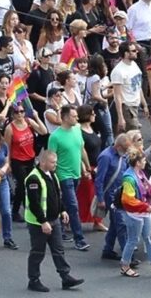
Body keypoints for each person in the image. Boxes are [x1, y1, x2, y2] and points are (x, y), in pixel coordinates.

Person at [24, 150, 85, 292]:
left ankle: (65, 276)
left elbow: (57, 195)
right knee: (38, 252)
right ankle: (33, 280)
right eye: (53, 162)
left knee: (58, 249)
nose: (55, 165)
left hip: (54, 219)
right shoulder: (33, 178)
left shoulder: (52, 174)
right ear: (43, 162)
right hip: (38, 223)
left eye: (55, 162)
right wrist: (43, 221)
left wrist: (62, 210)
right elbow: (34, 203)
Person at [118, 148, 151, 277]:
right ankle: (125, 265)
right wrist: (145, 207)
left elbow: (148, 189)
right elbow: (127, 200)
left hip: (142, 212)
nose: (145, 162)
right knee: (133, 240)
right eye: (143, 160)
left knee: (149, 238)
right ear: (137, 163)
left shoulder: (140, 173)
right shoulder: (129, 178)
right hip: (134, 214)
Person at [47, 105, 91, 251]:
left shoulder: (77, 129)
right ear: (65, 118)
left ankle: (59, 227)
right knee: (73, 205)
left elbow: (81, 149)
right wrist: (51, 175)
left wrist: (86, 167)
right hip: (63, 175)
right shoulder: (55, 136)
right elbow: (51, 156)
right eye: (74, 116)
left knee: (65, 203)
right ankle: (79, 239)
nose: (77, 118)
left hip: (76, 173)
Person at [111, 41, 149, 133]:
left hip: (136, 105)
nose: (137, 52)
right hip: (127, 108)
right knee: (135, 136)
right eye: (133, 50)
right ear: (126, 53)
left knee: (130, 138)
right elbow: (117, 96)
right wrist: (121, 117)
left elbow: (138, 86)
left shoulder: (134, 65)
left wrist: (144, 105)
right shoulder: (118, 71)